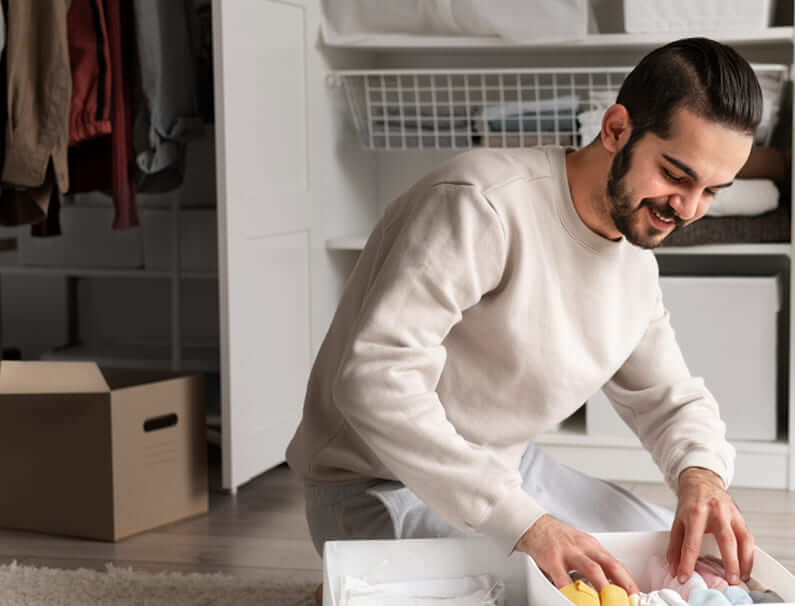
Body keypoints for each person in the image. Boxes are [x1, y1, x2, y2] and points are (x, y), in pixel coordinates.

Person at [286, 37, 762, 595]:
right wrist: (526, 525)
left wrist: (701, 476)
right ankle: (352, 586)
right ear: (616, 129)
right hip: (376, 483)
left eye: (711, 191)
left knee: (682, 570)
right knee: (547, 593)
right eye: (677, 176)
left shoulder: (633, 260)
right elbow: (373, 382)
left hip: (507, 468)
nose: (688, 210)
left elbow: (668, 397)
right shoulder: (482, 204)